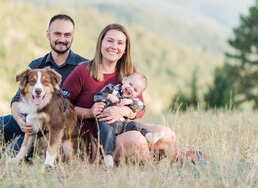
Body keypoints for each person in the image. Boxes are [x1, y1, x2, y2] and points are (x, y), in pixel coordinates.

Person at [62, 23, 178, 164]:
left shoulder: (129, 71)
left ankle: (172, 165)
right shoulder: (82, 71)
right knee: (137, 140)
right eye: (110, 41)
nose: (114, 46)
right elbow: (61, 107)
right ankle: (152, 166)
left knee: (167, 134)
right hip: (95, 139)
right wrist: (89, 112)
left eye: (120, 43)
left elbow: (141, 109)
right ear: (101, 43)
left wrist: (122, 110)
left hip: (121, 128)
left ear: (125, 49)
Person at [0, 14, 87, 153]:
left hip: (49, 130)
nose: (62, 39)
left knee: (13, 149)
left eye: (67, 35)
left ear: (73, 36)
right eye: (57, 34)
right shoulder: (36, 65)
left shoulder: (82, 67)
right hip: (28, 120)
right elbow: (16, 101)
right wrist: (21, 120)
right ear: (48, 34)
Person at [94, 72, 164, 166]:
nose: (131, 89)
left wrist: (130, 101)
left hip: (122, 126)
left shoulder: (132, 100)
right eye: (130, 84)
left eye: (135, 90)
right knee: (107, 133)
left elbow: (141, 106)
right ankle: (108, 157)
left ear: (138, 94)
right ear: (124, 80)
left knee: (135, 125)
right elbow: (96, 96)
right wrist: (108, 96)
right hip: (106, 122)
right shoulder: (111, 89)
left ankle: (149, 136)